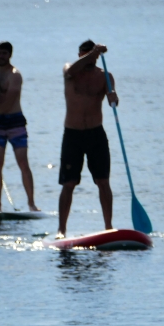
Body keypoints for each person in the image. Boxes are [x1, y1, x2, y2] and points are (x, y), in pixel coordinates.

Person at [57, 40, 118, 236]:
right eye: (85, 54)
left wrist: (113, 97)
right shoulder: (70, 71)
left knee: (103, 182)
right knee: (69, 184)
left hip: (95, 134)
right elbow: (71, 71)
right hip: (72, 134)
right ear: (79, 54)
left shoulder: (105, 76)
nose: (89, 58)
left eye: (92, 55)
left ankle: (108, 226)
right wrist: (93, 53)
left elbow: (111, 97)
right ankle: (61, 229)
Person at [0, 41, 39, 213]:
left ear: (10, 55)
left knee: (22, 162)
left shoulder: (15, 75)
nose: (0, 56)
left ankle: (31, 204)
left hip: (15, 121)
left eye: (4, 53)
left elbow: (9, 102)